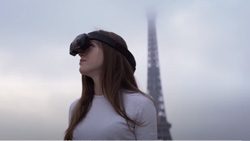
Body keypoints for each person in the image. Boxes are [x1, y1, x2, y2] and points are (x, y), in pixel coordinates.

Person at [64, 30, 157, 140]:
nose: (80, 53)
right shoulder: (76, 107)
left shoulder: (141, 105)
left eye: (90, 46)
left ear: (111, 54)